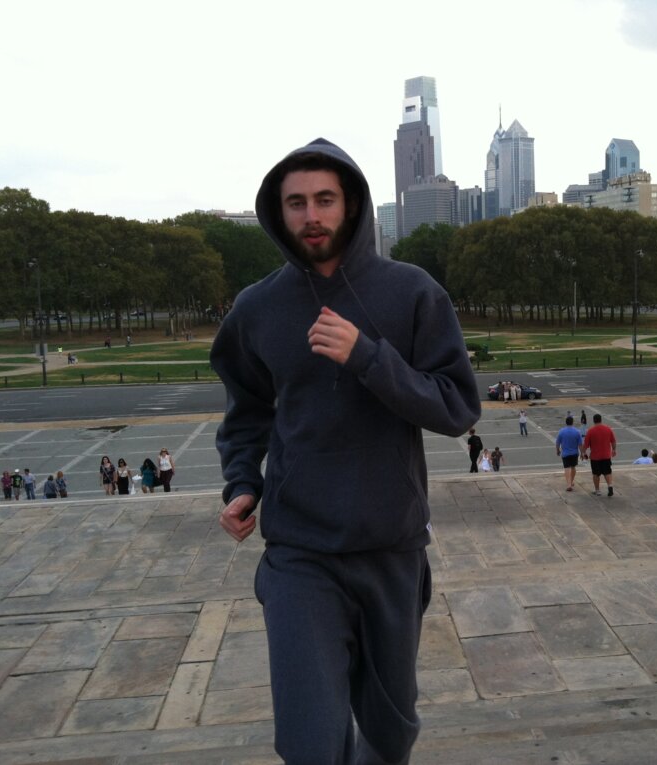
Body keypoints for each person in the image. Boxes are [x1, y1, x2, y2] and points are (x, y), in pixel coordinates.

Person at [209, 138, 479, 765]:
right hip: (300, 551)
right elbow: (245, 413)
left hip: (391, 548)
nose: (311, 216)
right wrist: (241, 482)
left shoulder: (413, 293)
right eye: (296, 203)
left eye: (325, 200)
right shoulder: (258, 308)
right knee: (311, 741)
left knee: (390, 735)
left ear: (351, 207)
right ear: (279, 213)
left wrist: (369, 358)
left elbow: (456, 407)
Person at [582, 413, 617, 496]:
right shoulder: (608, 429)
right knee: (607, 472)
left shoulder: (590, 431)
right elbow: (613, 441)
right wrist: (614, 450)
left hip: (595, 457)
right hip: (606, 455)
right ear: (601, 419)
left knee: (596, 474)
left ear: (594, 420)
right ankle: (610, 485)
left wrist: (583, 453)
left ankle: (597, 490)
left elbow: (585, 445)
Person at [555, 415, 583, 492]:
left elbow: (557, 443)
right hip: (574, 453)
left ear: (566, 422)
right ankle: (571, 481)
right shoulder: (577, 432)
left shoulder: (561, 431)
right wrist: (582, 453)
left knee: (567, 468)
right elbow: (580, 444)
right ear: (572, 422)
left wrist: (557, 450)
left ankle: (568, 484)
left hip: (565, 453)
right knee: (573, 467)